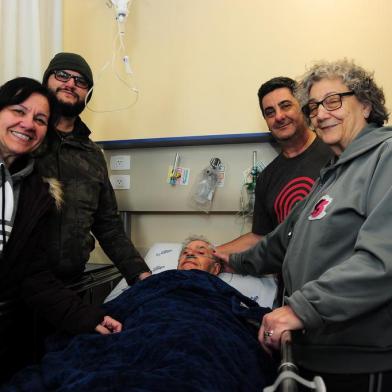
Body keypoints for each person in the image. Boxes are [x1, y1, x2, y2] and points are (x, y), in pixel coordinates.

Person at [218, 59, 392, 392]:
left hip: (363, 359)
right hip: (316, 349)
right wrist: (228, 259)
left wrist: (300, 308)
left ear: (367, 105)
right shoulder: (330, 176)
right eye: (314, 106)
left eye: (333, 101)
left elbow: (382, 262)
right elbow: (280, 242)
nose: (322, 114)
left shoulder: (384, 157)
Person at [2, 236, 277, 392]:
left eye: (201, 251)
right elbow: (122, 305)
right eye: (186, 252)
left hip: (201, 330)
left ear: (216, 267)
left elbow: (238, 320)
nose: (190, 254)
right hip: (143, 325)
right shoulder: (158, 279)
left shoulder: (217, 287)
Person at [0, 77, 122, 384]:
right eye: (18, 111)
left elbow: (33, 277)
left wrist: (89, 317)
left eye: (40, 119)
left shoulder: (33, 193)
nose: (28, 124)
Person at [35, 52, 150, 284]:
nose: (70, 84)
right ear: (46, 80)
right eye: (62, 75)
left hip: (70, 285)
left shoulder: (92, 156)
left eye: (81, 81)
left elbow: (108, 226)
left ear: (88, 94)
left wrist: (141, 275)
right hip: (18, 287)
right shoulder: (26, 139)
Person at [217, 77, 331, 254]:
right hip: (292, 278)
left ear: (303, 107)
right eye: (270, 112)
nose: (279, 116)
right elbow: (260, 238)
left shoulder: (335, 151)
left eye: (285, 106)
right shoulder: (266, 178)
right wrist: (211, 253)